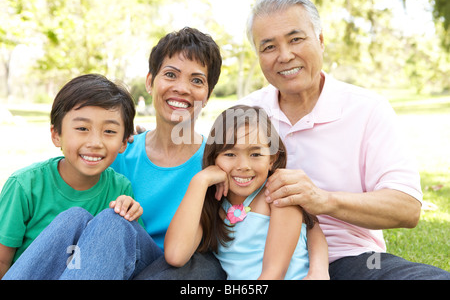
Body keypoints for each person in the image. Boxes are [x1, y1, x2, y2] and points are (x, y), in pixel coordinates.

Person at [239, 0, 450, 279]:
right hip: (251, 261)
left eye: (296, 39)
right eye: (269, 47)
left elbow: (407, 207)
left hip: (350, 258)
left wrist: (324, 200)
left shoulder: (368, 109)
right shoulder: (244, 113)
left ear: (321, 40)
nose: (285, 55)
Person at [0, 74, 162, 279]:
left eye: (110, 131)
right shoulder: (24, 186)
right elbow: (2, 261)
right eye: (82, 129)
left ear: (123, 142)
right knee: (74, 218)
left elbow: (129, 255)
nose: (95, 142)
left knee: (113, 218)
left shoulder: (120, 188)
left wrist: (130, 215)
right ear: (56, 134)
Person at [111, 27, 226, 279]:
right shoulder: (120, 153)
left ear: (207, 96)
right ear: (150, 82)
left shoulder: (216, 164)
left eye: (197, 80)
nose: (182, 88)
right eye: (171, 75)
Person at [164, 105, 329, 280]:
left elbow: (273, 274)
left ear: (272, 159)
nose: (243, 165)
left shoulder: (278, 196)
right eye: (230, 154)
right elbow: (176, 255)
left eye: (255, 154)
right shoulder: (213, 204)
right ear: (214, 158)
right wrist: (200, 181)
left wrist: (319, 270)